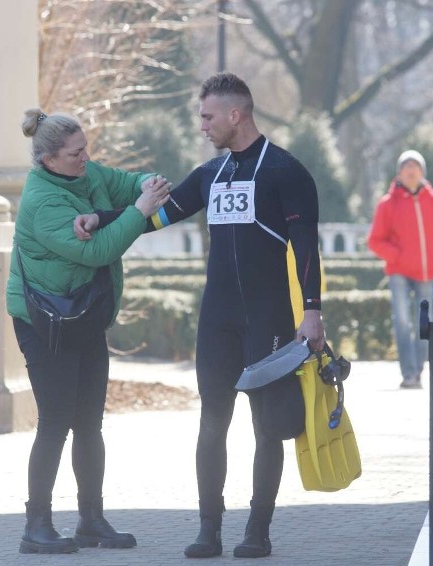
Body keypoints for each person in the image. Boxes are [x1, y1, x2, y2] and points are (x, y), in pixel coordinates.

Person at [75, 72, 325, 559]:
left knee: (265, 425)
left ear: (236, 114)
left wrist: (312, 312)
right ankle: (209, 528)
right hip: (218, 320)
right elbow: (158, 215)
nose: (202, 125)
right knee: (212, 422)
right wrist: (101, 220)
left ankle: (258, 529)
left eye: (208, 116)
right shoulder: (212, 175)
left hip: (268, 317)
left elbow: (306, 249)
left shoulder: (286, 172)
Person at [6, 107, 170, 554]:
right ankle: (35, 525)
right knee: (56, 421)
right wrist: (136, 212)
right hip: (44, 321)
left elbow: (131, 181)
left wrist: (148, 185)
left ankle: (91, 521)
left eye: (85, 150)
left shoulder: (88, 174)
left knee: (90, 423)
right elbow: (98, 252)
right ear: (48, 160)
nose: (85, 158)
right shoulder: (42, 201)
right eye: (76, 154)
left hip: (84, 315)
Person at [368, 149, 433, 389]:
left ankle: (417, 371)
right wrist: (398, 256)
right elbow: (375, 240)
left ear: (422, 172)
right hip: (398, 272)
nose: (411, 170)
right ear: (399, 173)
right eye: (406, 167)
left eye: (415, 166)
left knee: (423, 324)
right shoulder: (387, 204)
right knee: (402, 321)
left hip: (428, 273)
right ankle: (408, 373)